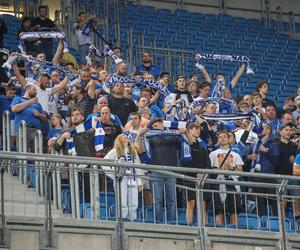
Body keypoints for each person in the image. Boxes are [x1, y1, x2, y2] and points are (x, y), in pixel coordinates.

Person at [146, 118, 181, 222]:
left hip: (171, 170)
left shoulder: (172, 136)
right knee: (157, 200)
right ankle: (158, 222)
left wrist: (183, 132)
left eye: (159, 125)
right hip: (156, 171)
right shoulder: (150, 138)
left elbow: (182, 144)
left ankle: (172, 223)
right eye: (155, 126)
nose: (157, 127)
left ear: (163, 124)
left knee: (172, 200)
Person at [103, 134, 144, 221]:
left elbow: (138, 167)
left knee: (134, 203)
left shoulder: (133, 151)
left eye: (126, 136)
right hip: (121, 180)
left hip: (133, 180)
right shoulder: (115, 151)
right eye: (123, 136)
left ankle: (132, 221)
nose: (126, 137)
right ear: (118, 139)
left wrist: (139, 182)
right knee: (122, 202)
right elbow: (104, 163)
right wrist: (113, 175)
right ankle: (123, 221)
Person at [209, 130, 243, 225]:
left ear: (229, 139)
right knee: (219, 212)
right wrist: (220, 169)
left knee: (234, 212)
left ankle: (235, 234)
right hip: (219, 183)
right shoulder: (213, 154)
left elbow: (240, 171)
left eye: (224, 136)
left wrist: (232, 168)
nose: (222, 138)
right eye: (220, 137)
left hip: (232, 184)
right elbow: (209, 170)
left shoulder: (236, 154)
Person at [180, 122, 211, 224]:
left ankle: (204, 227)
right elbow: (190, 147)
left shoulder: (203, 146)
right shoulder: (184, 144)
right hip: (190, 177)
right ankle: (189, 227)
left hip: (203, 178)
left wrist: (204, 174)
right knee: (191, 203)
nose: (198, 130)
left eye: (199, 128)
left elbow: (208, 163)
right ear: (189, 131)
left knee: (203, 204)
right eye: (195, 128)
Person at [246, 123, 279, 216]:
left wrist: (266, 151)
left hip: (269, 174)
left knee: (274, 200)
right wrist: (248, 158)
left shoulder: (273, 143)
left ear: (268, 130)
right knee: (259, 200)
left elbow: (276, 160)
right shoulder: (254, 145)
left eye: (262, 128)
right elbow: (246, 161)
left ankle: (276, 221)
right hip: (256, 175)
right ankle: (262, 220)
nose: (259, 130)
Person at [11, 83, 47, 153]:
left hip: (37, 130)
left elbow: (45, 118)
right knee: (22, 153)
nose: (36, 92)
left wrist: (39, 114)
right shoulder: (18, 98)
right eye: (34, 89)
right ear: (27, 89)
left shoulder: (38, 104)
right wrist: (31, 101)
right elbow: (14, 109)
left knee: (37, 154)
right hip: (23, 129)